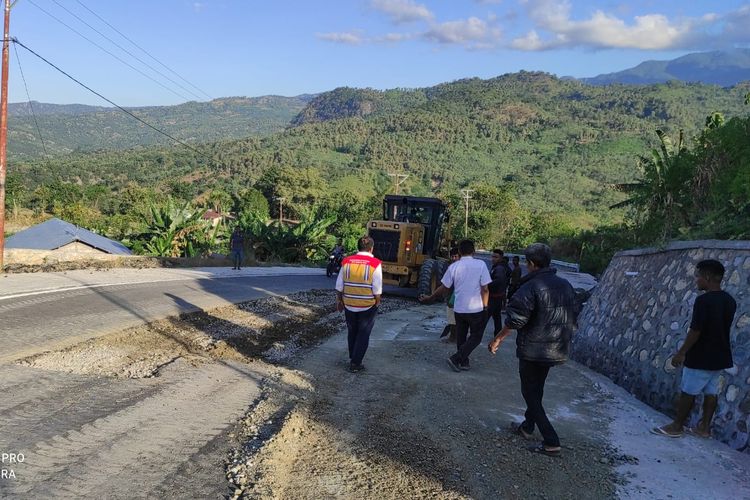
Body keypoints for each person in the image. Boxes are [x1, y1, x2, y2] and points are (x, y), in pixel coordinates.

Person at [488, 243, 578, 457]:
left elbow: (516, 320)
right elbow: (574, 314)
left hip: (534, 349)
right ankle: (528, 427)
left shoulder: (531, 286)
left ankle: (551, 440)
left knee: (530, 392)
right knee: (536, 388)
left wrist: (497, 339)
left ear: (530, 264)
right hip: (556, 347)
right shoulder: (565, 285)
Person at [652, 259, 737, 438]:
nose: (696, 280)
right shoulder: (730, 301)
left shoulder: (703, 301)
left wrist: (681, 352)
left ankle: (677, 426)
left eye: (698, 276)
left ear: (707, 277)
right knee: (711, 391)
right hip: (720, 355)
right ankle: (704, 428)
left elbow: (696, 330)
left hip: (701, 355)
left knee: (688, 391)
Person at [421, 239, 491, 372]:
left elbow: (444, 287)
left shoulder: (454, 267)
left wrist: (430, 297)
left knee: (462, 336)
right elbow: (485, 289)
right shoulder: (481, 265)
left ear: (459, 252)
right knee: (476, 337)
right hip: (476, 308)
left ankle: (463, 362)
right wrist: (486, 306)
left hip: (459, 308)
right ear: (473, 251)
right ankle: (456, 358)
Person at [335, 236, 383, 373]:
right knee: (363, 333)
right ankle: (356, 363)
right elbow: (377, 289)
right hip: (367, 305)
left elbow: (339, 285)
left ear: (358, 247)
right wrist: (377, 304)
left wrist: (339, 301)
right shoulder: (375, 263)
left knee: (352, 331)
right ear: (371, 248)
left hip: (349, 304)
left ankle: (353, 356)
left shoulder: (346, 261)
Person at [439, 248, 461, 343]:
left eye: (456, 256)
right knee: (453, 317)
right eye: (452, 256)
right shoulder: (450, 266)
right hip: (451, 293)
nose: (454, 258)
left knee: (453, 317)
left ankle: (453, 337)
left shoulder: (457, 267)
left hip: (456, 294)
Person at [487, 249, 509, 336]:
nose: (493, 259)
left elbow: (498, 281)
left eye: (496, 257)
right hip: (498, 296)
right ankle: (497, 335)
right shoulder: (499, 267)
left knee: (485, 317)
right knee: (497, 317)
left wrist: (486, 284)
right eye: (492, 256)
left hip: (493, 297)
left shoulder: (499, 268)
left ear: (501, 258)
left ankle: (476, 335)